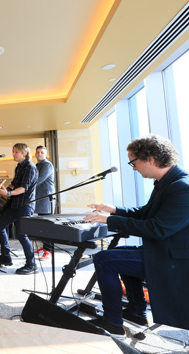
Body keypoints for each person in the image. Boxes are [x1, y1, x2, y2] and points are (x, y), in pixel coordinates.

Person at [84, 135, 189, 335]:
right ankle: (136, 312)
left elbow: (157, 228)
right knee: (119, 255)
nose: (133, 168)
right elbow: (145, 213)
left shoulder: (182, 188)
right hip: (161, 251)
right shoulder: (167, 182)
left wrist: (108, 220)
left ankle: (113, 322)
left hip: (171, 259)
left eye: (133, 162)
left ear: (149, 159)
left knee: (104, 259)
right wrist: (114, 209)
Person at [0, 143, 38, 275]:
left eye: (16, 152)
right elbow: (14, 184)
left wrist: (6, 194)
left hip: (24, 205)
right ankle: (5, 256)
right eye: (13, 152)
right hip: (14, 204)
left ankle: (31, 264)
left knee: (21, 234)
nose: (13, 154)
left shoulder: (30, 167)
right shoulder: (19, 167)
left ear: (24, 153)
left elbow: (23, 188)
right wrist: (3, 192)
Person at [34, 145, 55, 261]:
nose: (40, 154)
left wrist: (25, 188)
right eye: (38, 152)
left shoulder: (47, 165)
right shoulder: (38, 165)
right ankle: (44, 248)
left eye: (42, 152)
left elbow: (39, 180)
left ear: (45, 154)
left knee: (47, 226)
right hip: (39, 198)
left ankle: (49, 251)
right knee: (41, 226)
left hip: (47, 199)